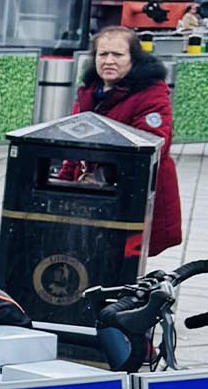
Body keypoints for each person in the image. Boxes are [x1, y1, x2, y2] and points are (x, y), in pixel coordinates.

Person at [72, 25, 182, 255]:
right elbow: (72, 140)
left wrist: (103, 176)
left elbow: (152, 146)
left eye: (118, 54)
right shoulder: (90, 92)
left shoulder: (151, 94)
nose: (109, 61)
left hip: (133, 196)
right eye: (103, 54)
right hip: (93, 195)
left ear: (133, 59)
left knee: (121, 264)